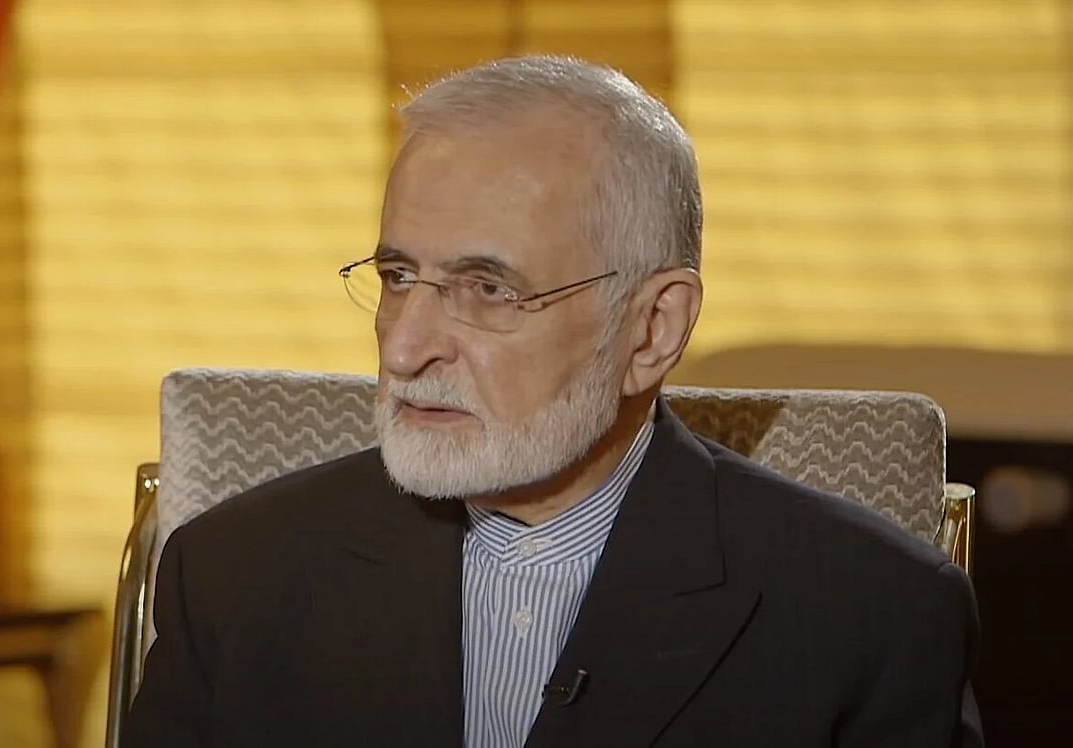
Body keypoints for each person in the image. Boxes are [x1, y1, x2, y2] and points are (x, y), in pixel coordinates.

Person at [122, 55, 980, 747]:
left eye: (489, 289)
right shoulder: (232, 575)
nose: (405, 347)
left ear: (651, 330)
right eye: (398, 277)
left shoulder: (870, 614)